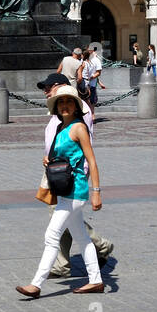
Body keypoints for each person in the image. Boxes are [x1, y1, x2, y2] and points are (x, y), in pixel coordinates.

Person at [15, 84, 104, 298]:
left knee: (51, 234)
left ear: (76, 106)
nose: (64, 106)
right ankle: (96, 280)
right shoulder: (61, 128)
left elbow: (91, 161)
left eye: (69, 102)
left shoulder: (78, 128)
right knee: (81, 238)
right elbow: (64, 156)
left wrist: (96, 191)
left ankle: (36, 284)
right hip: (65, 188)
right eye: (61, 102)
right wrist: (49, 159)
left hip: (76, 188)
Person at [34, 73, 113, 278]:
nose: (45, 91)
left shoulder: (78, 115)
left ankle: (42, 278)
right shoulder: (60, 113)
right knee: (73, 224)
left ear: (61, 86)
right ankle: (91, 273)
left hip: (73, 175)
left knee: (55, 226)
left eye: (48, 87)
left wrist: (95, 190)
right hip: (58, 171)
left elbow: (85, 152)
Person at [84, 46, 103, 119]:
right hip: (83, 84)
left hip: (91, 84)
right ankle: (87, 116)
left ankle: (92, 116)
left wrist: (91, 78)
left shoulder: (96, 60)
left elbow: (98, 72)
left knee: (91, 100)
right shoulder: (84, 59)